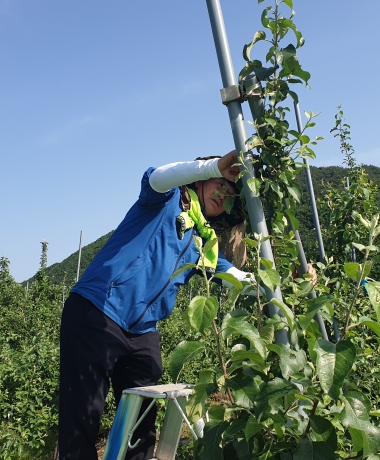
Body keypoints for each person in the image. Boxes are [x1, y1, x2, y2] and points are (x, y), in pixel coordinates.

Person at [59, 151, 251, 460]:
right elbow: (156, 176)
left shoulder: (203, 244)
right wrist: (213, 165)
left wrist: (285, 284)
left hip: (142, 331)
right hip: (99, 311)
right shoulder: (167, 200)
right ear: (200, 180)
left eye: (229, 193)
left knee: (142, 419)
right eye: (220, 184)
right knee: (83, 415)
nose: (223, 193)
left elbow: (238, 278)